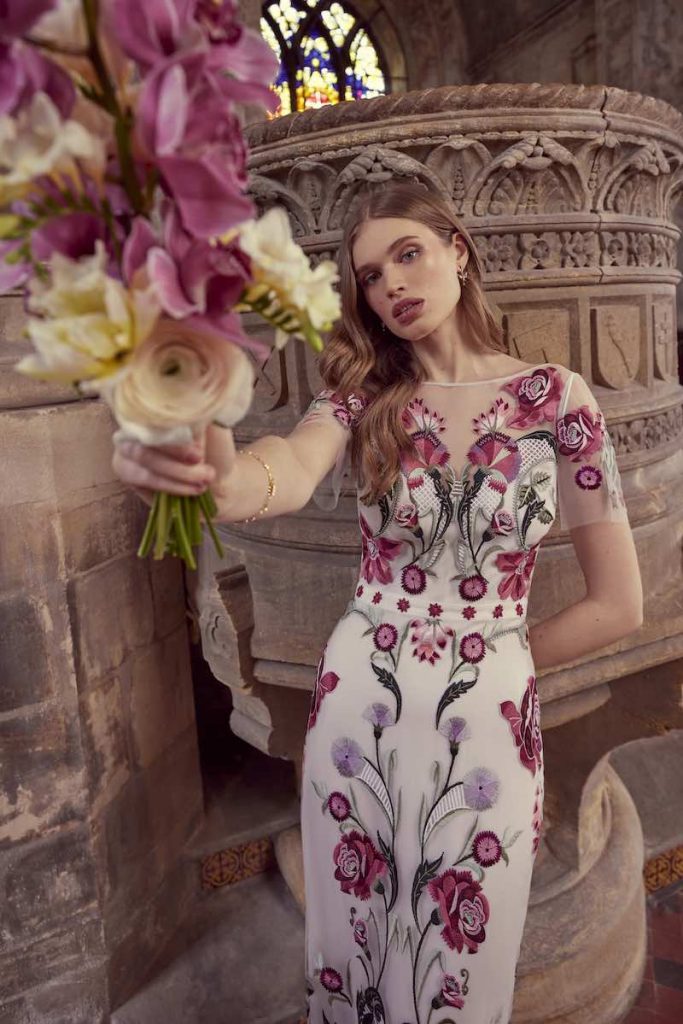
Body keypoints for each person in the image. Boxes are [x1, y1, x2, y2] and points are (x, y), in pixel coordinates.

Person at [113, 180, 644, 1023]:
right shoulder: (362, 399)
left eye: (408, 254)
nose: (391, 284)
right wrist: (204, 425)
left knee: (462, 966)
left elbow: (619, 605)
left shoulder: (557, 399)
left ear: (455, 251)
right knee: (352, 948)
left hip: (488, 723)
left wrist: (495, 663)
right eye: (368, 275)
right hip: (360, 708)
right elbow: (274, 477)